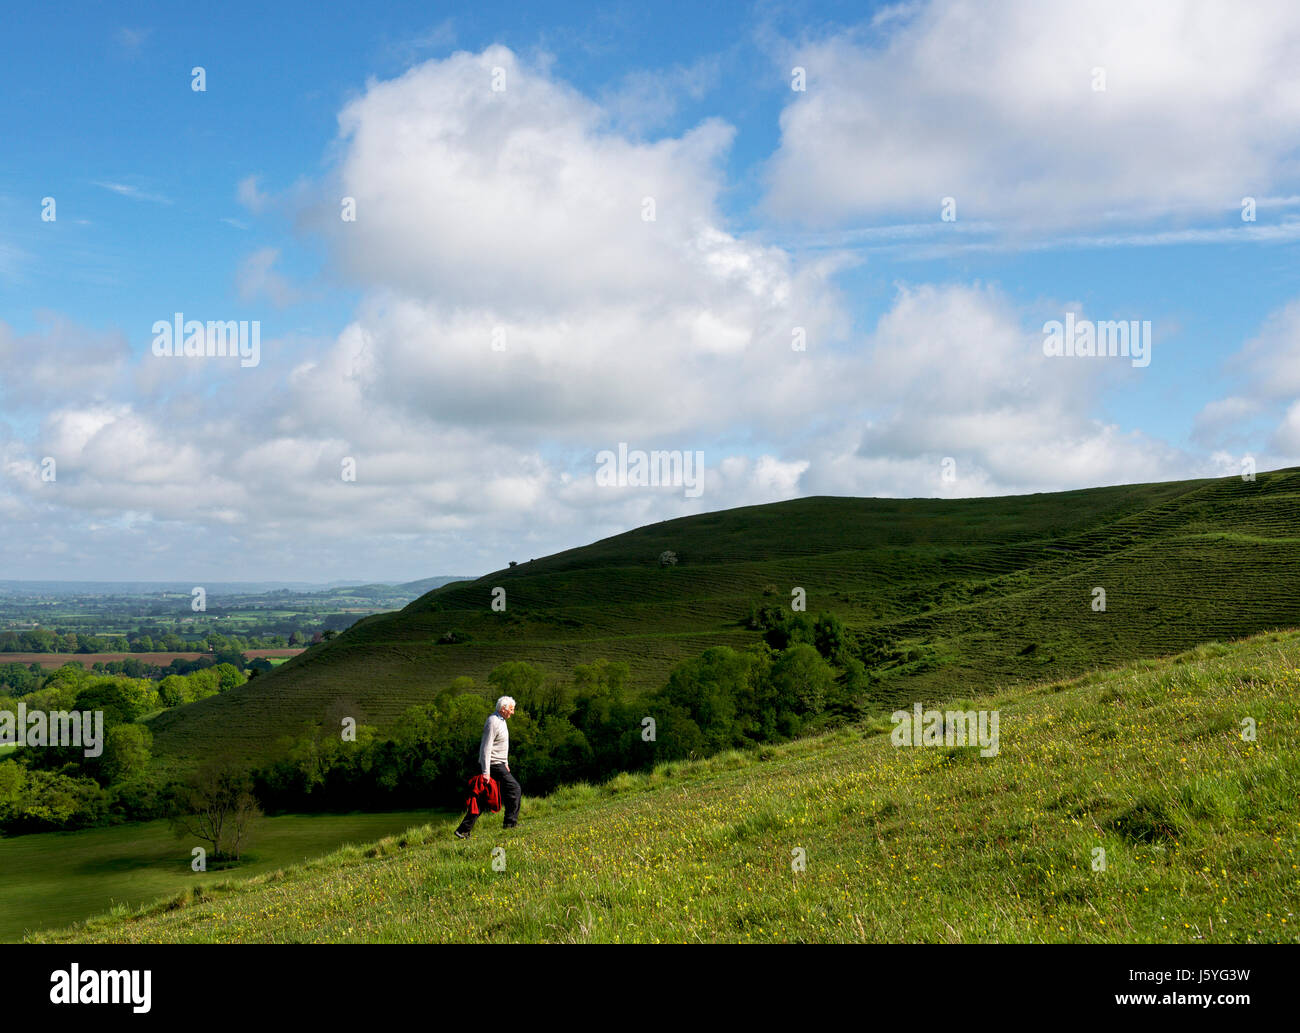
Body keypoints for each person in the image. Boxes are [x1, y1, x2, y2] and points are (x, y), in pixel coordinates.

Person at [454, 696, 521, 838]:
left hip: (499, 763)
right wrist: (486, 772)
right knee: (514, 789)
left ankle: (463, 830)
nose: (512, 712)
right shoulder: (493, 721)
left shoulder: (502, 721)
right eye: (511, 709)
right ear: (503, 709)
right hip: (492, 765)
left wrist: (506, 762)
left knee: (483, 798)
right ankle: (510, 823)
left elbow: (502, 745)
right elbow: (486, 748)